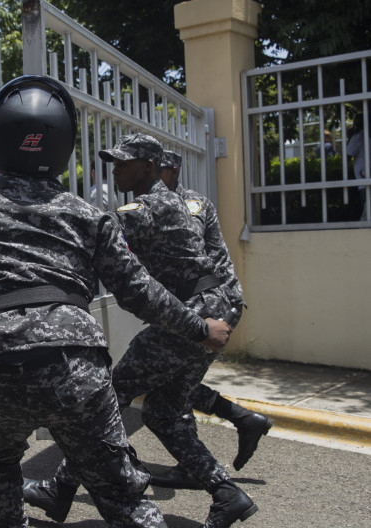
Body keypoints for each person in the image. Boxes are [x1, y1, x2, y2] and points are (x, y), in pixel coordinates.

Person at [0, 75, 231, 528]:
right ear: (63, 144)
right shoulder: (87, 214)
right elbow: (139, 292)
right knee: (123, 498)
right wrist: (199, 327)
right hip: (75, 369)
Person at [24, 133, 257, 528]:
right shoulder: (169, 202)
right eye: (114, 162)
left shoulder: (146, 206)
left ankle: (59, 489)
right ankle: (227, 493)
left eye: (124, 163)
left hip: (190, 316)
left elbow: (90, 230)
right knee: (163, 413)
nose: (116, 169)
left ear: (149, 167)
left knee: (107, 397)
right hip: (208, 308)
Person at [149, 150, 273, 489]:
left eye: (158, 170)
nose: (152, 176)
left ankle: (215, 460)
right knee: (175, 386)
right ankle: (242, 421)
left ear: (172, 171)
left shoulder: (186, 204)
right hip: (208, 304)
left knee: (170, 388)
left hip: (209, 306)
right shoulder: (176, 201)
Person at [346, 114, 369, 220]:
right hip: (365, 181)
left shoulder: (358, 137)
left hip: (364, 183)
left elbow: (347, 156)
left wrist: (349, 138)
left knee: (366, 218)